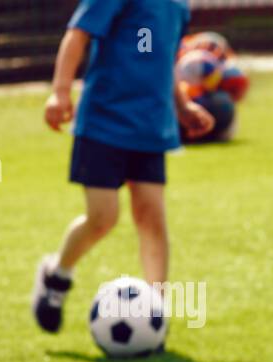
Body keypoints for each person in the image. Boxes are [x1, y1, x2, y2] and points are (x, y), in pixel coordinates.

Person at [32, 0, 213, 332]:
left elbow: (163, 57)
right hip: (104, 123)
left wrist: (182, 106)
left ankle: (155, 314)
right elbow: (77, 34)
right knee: (103, 218)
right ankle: (57, 277)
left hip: (151, 128)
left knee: (151, 217)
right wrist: (60, 93)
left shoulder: (177, 6)